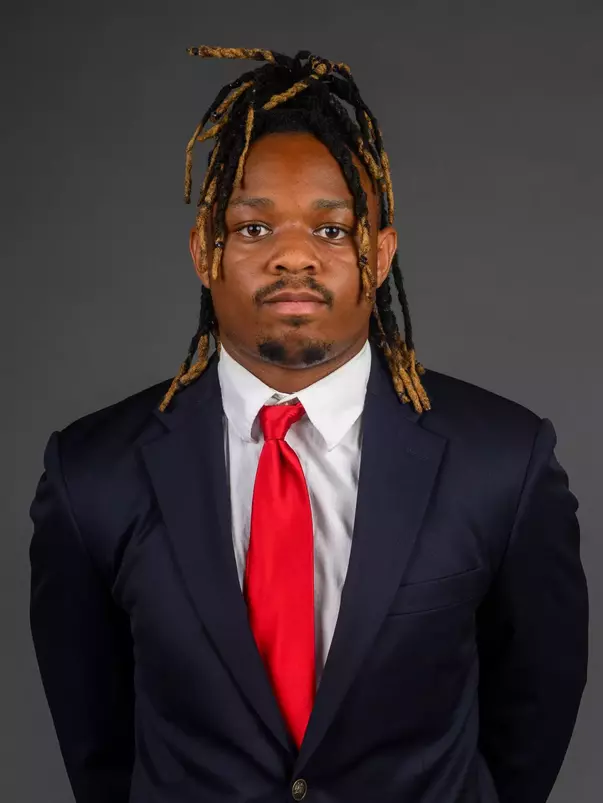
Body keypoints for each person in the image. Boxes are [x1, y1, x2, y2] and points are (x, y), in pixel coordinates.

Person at [29, 45, 588, 803]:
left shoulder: (501, 460)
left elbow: (534, 711)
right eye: (253, 229)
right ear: (204, 250)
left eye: (331, 231)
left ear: (379, 253)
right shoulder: (94, 470)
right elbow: (96, 739)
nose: (294, 256)